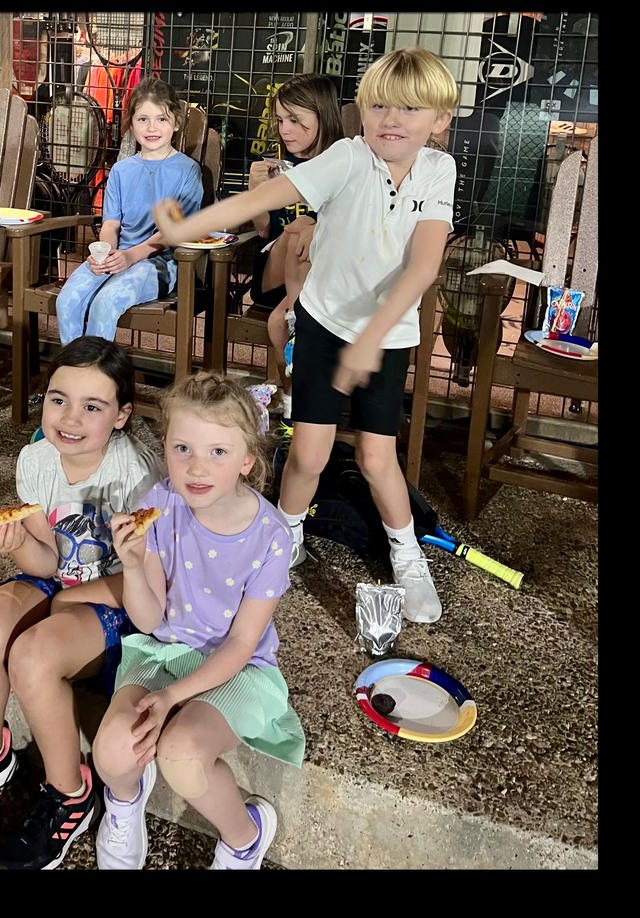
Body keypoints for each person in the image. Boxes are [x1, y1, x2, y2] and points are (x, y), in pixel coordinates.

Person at [154, 48, 458, 624]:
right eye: (379, 106)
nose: (391, 119)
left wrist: (370, 339)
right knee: (309, 454)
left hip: (388, 335)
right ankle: (285, 538)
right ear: (361, 112)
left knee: (377, 456)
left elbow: (423, 264)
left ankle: (407, 556)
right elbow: (265, 198)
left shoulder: (439, 170)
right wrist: (187, 225)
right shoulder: (347, 157)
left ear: (440, 120)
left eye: (411, 109)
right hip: (323, 322)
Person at [0, 336, 165, 870]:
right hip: (62, 582)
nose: (70, 419)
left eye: (92, 407)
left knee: (32, 656)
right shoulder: (35, 459)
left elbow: (149, 581)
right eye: (58, 399)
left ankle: (69, 794)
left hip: (118, 598)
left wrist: (67, 599)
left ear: (121, 416)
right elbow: (47, 561)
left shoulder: (139, 476)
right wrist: (17, 546)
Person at [90, 372, 305, 870]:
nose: (196, 467)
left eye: (218, 452)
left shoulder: (271, 537)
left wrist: (171, 698)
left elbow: (241, 643)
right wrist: (134, 564)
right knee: (112, 752)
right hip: (162, 652)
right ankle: (125, 802)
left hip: (237, 668)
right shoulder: (158, 504)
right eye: (182, 448)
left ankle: (245, 837)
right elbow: (149, 619)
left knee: (183, 756)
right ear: (164, 445)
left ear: (248, 460)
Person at [55, 77, 204, 346]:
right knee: (67, 300)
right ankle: (75, 369)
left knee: (105, 302)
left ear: (176, 123)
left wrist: (130, 256)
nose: (151, 128)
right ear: (131, 124)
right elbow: (111, 224)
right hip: (118, 255)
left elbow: (171, 233)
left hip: (161, 263)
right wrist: (104, 255)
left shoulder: (188, 171)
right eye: (142, 119)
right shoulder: (121, 171)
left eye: (161, 119)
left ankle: (97, 372)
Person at [248, 74, 343, 419]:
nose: (285, 130)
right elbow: (264, 229)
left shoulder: (343, 164)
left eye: (295, 120)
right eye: (280, 121)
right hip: (277, 269)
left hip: (323, 275)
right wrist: (256, 192)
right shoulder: (279, 165)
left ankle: (291, 407)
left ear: (322, 116)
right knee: (296, 230)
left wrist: (320, 227)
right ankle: (298, 314)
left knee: (278, 324)